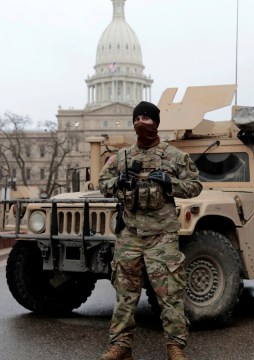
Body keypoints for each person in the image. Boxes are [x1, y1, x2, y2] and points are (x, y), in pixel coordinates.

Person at [99, 101, 203, 360]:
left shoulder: (175, 156)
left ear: (156, 123)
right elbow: (102, 183)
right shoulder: (122, 157)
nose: (141, 122)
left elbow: (196, 185)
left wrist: (171, 183)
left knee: (169, 293)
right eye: (137, 118)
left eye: (146, 117)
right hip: (130, 234)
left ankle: (175, 347)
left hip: (162, 235)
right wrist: (117, 182)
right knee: (125, 293)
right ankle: (121, 346)